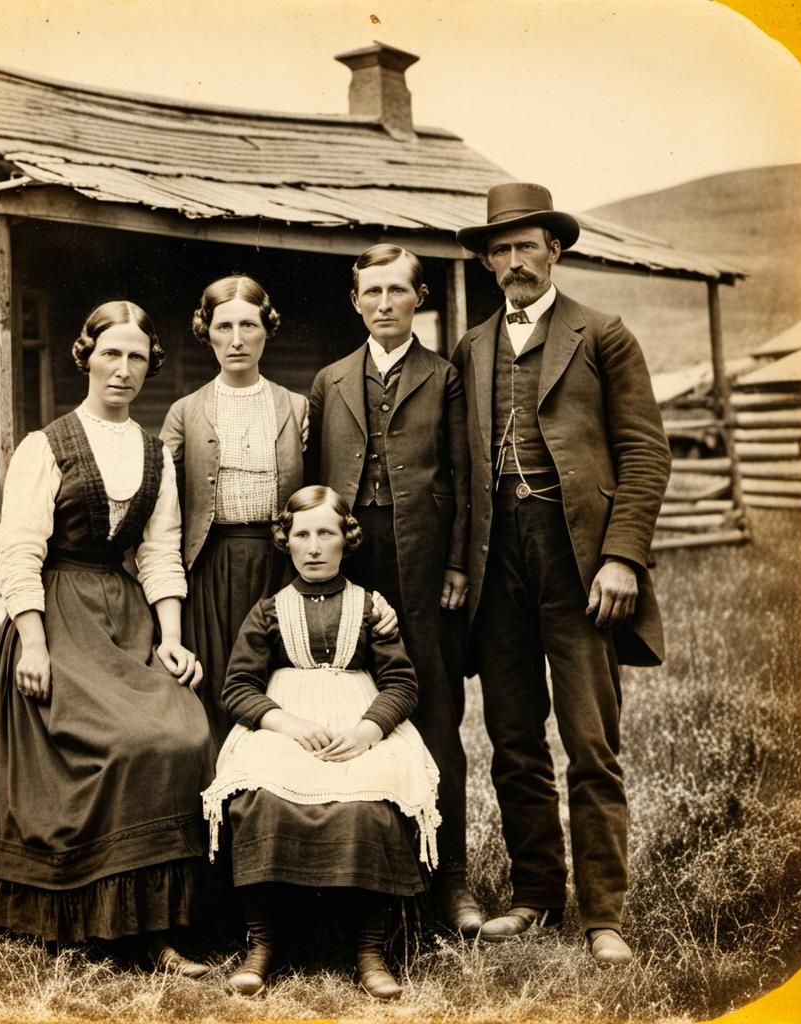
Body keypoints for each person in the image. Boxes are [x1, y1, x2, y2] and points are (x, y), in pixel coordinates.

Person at [450, 182, 672, 965]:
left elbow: (647, 452)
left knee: (590, 740)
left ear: (555, 250)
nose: (515, 262)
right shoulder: (471, 346)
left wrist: (622, 556)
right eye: (500, 250)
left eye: (527, 247)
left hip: (579, 558)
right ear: (485, 261)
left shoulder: (603, 334)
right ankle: (537, 893)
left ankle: (603, 913)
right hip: (495, 560)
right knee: (513, 739)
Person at [0, 300, 215, 976]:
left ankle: (160, 926)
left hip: (127, 617)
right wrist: (34, 642)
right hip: (58, 616)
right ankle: (99, 922)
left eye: (138, 357)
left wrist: (170, 638)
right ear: (87, 356)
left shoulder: (154, 452)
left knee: (187, 733)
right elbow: (18, 551)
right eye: (112, 353)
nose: (124, 369)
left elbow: (161, 554)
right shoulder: (44, 446)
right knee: (129, 743)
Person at [201, 485, 440, 1000]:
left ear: (346, 539)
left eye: (326, 533)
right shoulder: (269, 611)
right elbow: (237, 689)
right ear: (285, 541)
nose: (313, 547)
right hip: (289, 725)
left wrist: (367, 730)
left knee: (372, 802)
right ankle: (262, 944)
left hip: (357, 724)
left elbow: (402, 683)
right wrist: (285, 722)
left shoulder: (371, 607)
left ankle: (369, 949)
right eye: (301, 534)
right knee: (259, 796)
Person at [306, 244, 479, 933]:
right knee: (351, 705)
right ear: (355, 302)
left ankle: (453, 881)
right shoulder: (330, 380)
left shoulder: (446, 377)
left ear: (419, 299)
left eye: (397, 291)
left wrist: (459, 565)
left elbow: (465, 478)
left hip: (425, 568)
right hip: (352, 566)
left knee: (435, 715)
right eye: (371, 291)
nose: (383, 303)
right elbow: (313, 484)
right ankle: (367, 877)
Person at [159, 276, 307, 746]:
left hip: (278, 564)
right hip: (213, 566)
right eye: (224, 326)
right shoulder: (185, 411)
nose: (237, 339)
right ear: (207, 333)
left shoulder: (297, 407)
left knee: (277, 680)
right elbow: (160, 495)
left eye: (249, 324)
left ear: (268, 329)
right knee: (217, 680)